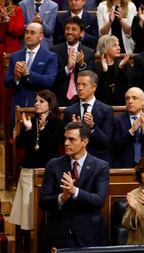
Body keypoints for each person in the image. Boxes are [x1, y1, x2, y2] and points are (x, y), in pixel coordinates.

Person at [39, 121, 110, 250]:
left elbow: (99, 200)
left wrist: (75, 191)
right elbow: (43, 203)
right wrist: (62, 197)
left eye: (71, 139)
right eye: (65, 138)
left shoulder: (100, 166)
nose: (66, 143)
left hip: (89, 235)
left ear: (84, 142)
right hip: (59, 234)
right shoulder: (53, 165)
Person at [9, 90, 64, 253]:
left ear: (50, 104)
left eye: (41, 101)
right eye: (36, 101)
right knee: (26, 212)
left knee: (41, 214)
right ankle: (26, 245)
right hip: (28, 171)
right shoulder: (31, 121)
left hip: (47, 172)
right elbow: (19, 145)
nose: (37, 104)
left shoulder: (57, 124)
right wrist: (28, 129)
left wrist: (43, 129)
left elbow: (55, 145)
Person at [5, 22, 58, 121]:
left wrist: (28, 74)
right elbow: (7, 83)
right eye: (26, 32)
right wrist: (16, 78)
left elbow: (49, 81)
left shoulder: (50, 57)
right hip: (18, 107)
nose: (28, 35)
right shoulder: (15, 56)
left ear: (41, 36)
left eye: (32, 33)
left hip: (39, 108)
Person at [64, 70, 114, 163]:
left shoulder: (106, 110)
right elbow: (64, 140)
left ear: (94, 87)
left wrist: (92, 127)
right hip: (74, 160)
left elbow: (106, 141)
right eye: (78, 84)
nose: (80, 88)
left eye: (84, 85)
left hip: (98, 160)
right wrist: (74, 130)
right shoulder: (69, 111)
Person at [51, 16, 95, 106]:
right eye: (67, 29)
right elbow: (52, 77)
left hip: (81, 99)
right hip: (59, 98)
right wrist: (67, 68)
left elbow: (91, 78)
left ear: (82, 33)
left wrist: (82, 65)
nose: (69, 32)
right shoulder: (54, 50)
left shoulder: (88, 52)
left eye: (74, 29)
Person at [112, 87, 144, 168]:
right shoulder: (117, 120)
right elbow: (115, 146)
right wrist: (131, 131)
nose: (130, 101)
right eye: (127, 98)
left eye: (134, 98)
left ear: (143, 101)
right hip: (123, 166)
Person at [95, 34, 131, 106]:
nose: (119, 48)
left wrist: (121, 69)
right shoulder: (97, 66)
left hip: (121, 105)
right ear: (105, 48)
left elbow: (128, 86)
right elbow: (97, 89)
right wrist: (104, 71)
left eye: (118, 45)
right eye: (114, 45)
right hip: (102, 105)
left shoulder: (124, 65)